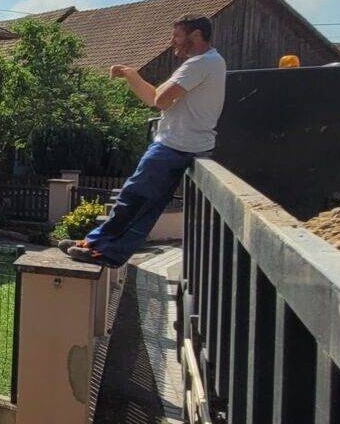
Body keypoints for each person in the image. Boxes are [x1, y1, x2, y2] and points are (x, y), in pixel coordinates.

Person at [63, 14, 226, 267]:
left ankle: (101, 250)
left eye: (177, 35)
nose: (172, 41)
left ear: (195, 35)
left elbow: (161, 100)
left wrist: (157, 89)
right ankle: (99, 246)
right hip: (184, 144)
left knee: (134, 197)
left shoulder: (200, 64)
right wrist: (131, 75)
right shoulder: (209, 63)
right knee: (145, 203)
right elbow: (154, 98)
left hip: (176, 145)